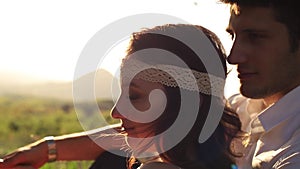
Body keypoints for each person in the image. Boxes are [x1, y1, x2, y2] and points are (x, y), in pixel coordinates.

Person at [0, 24, 244, 169]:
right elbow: (116, 139)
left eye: (135, 96)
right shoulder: (219, 147)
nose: (116, 112)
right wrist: (47, 149)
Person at [220, 0, 300, 168]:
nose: (233, 57)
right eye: (233, 36)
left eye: (254, 37)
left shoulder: (294, 153)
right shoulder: (239, 110)